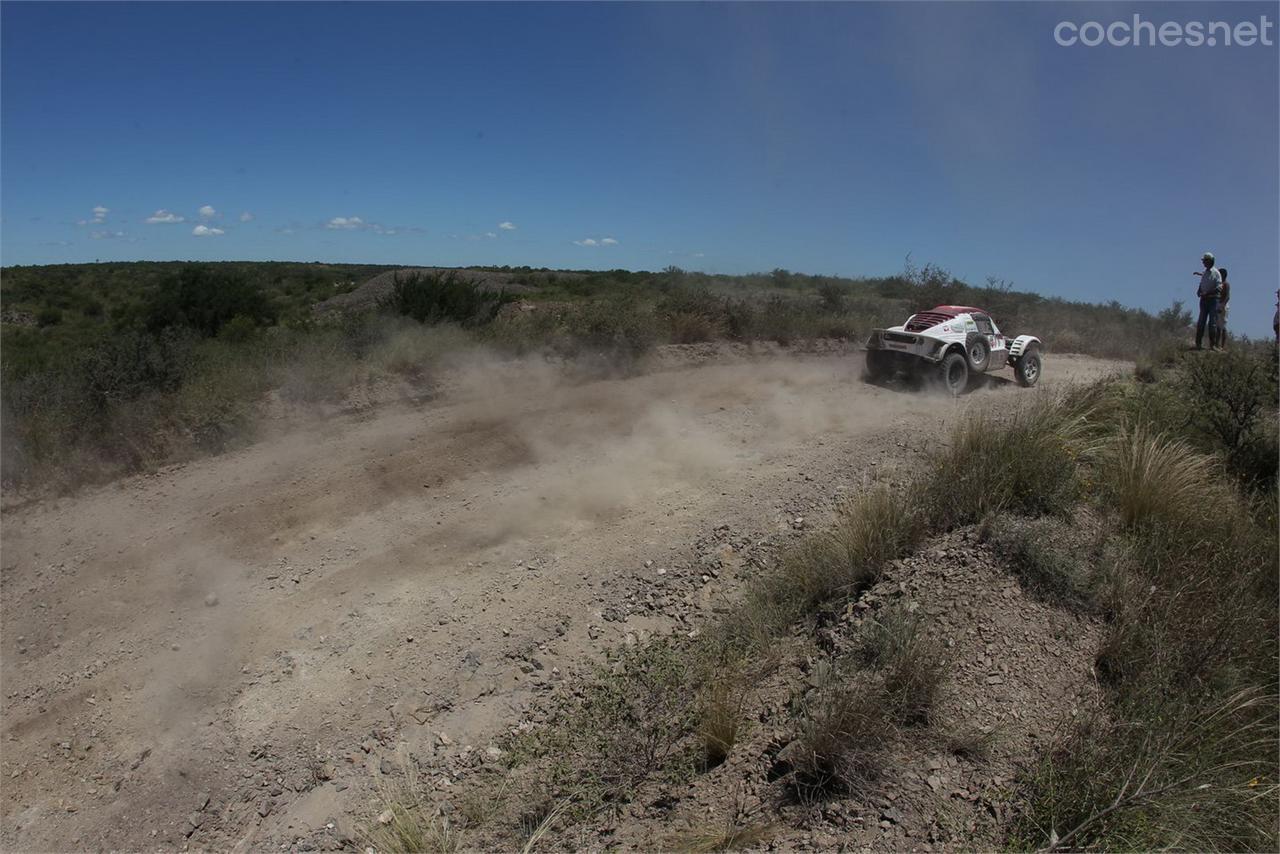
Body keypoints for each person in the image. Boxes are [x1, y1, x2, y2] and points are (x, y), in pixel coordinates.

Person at [1193, 251, 1222, 350]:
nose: (1203, 262)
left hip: (1213, 300)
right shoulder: (1205, 272)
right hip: (1203, 300)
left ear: (1210, 261)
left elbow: (1219, 288)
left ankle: (1212, 345)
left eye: (1205, 261)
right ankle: (1198, 343)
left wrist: (1208, 293)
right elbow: (1202, 283)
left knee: (1212, 322)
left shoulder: (1216, 273)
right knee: (1201, 321)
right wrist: (1199, 290)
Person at [1215, 266, 1230, 349]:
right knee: (1218, 325)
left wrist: (1222, 305)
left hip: (1223, 305)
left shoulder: (1226, 284)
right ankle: (1216, 344)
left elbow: (1227, 296)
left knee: (1223, 326)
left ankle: (1222, 346)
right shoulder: (1219, 284)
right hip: (1218, 304)